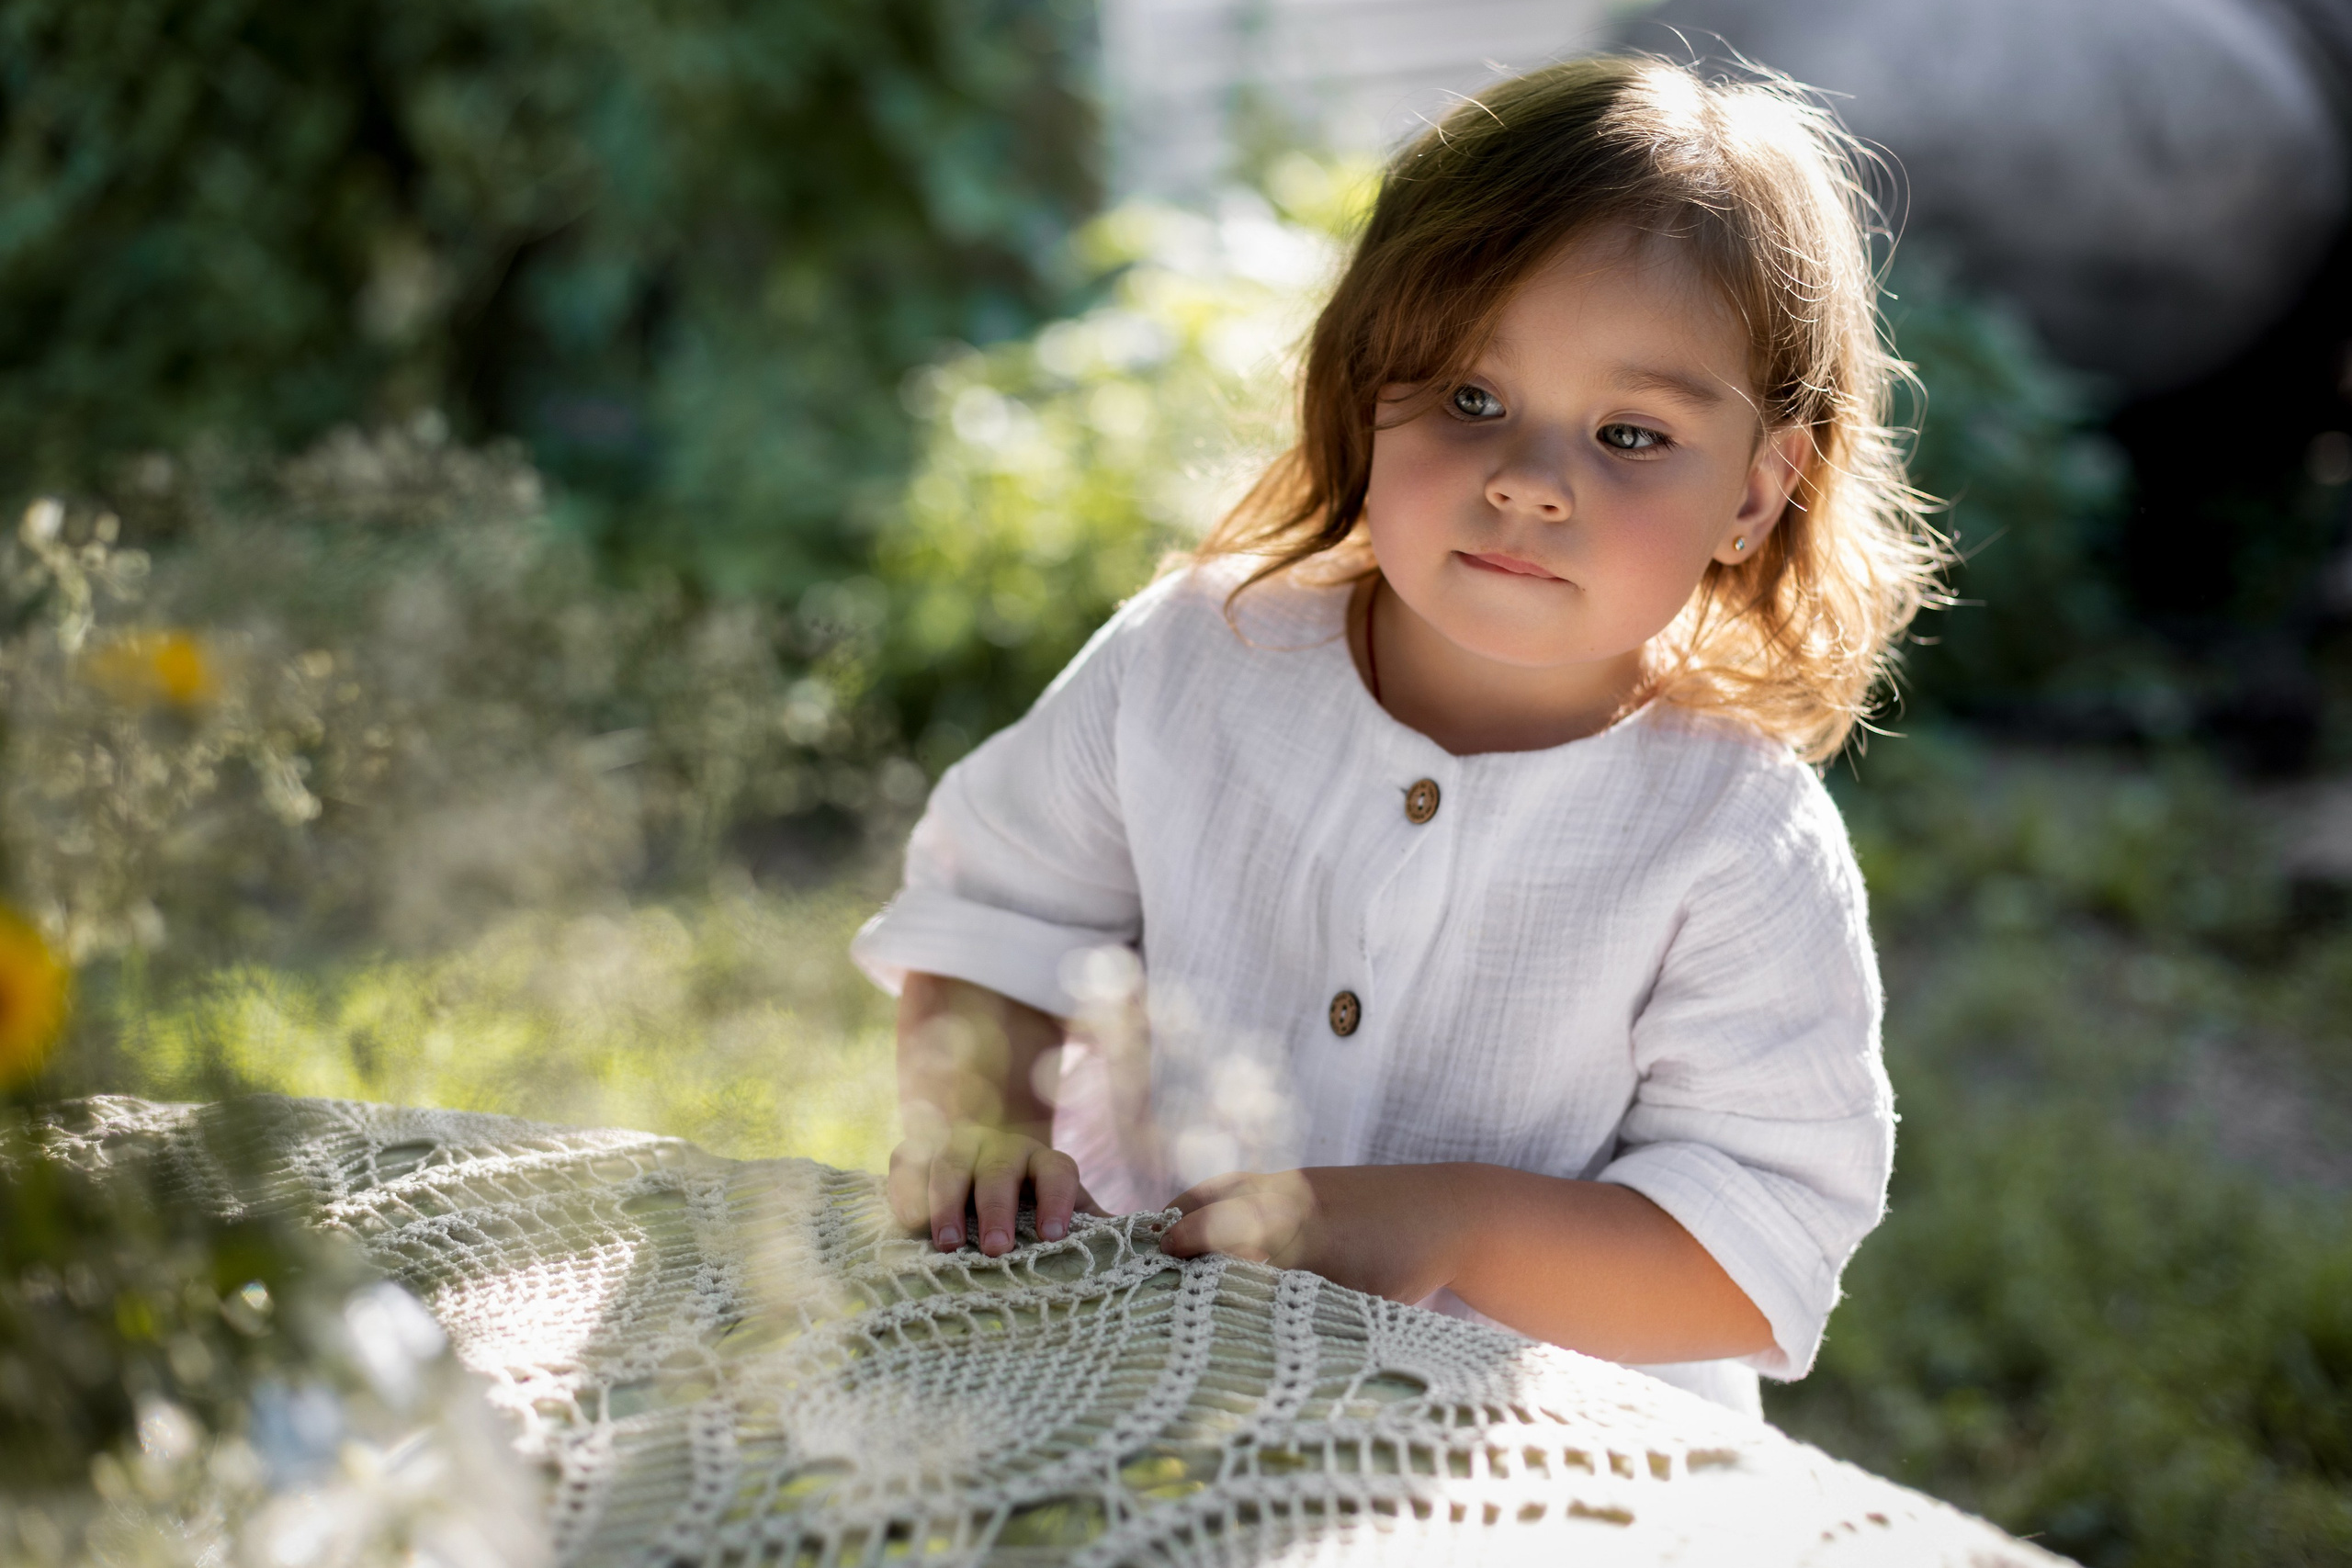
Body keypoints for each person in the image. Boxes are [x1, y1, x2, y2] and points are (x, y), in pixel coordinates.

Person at [852, 53, 1939, 1414]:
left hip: (1530, 1470)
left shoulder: (1734, 842)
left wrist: (1455, 1226)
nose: (1531, 484)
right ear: (1369, 388)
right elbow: (993, 914)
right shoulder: (1196, 660)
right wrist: (981, 1118)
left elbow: (1754, 1249)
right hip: (1139, 1377)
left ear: (1757, 493)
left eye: (1630, 433)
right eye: (1471, 399)